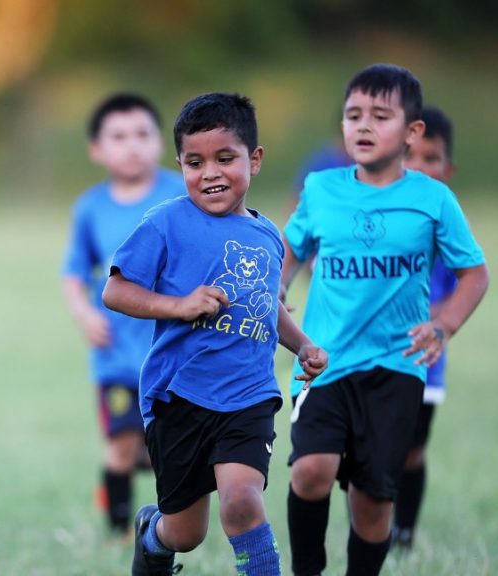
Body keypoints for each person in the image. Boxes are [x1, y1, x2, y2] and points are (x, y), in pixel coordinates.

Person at [103, 92, 328, 576]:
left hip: (249, 396)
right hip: (178, 398)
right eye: (194, 162)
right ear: (179, 164)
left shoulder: (269, 236)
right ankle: (153, 537)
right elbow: (116, 291)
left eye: (225, 159)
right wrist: (179, 305)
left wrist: (303, 343)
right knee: (187, 532)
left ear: (255, 159)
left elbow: (268, 307)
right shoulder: (166, 222)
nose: (210, 173)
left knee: (242, 502)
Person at [281, 64, 490, 576]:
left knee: (372, 502)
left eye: (380, 115)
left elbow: (475, 274)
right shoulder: (321, 189)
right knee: (310, 469)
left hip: (397, 370)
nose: (363, 126)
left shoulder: (433, 198)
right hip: (324, 360)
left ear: (412, 132)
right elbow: (290, 246)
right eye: (353, 115)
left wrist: (444, 325)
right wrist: (279, 288)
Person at [61, 92, 185, 537]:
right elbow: (74, 271)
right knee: (120, 444)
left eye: (142, 134)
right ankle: (119, 533)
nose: (131, 145)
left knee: (168, 448)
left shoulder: (181, 194)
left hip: (172, 351)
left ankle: (174, 525)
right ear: (97, 149)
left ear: (161, 142)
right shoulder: (91, 207)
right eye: (118, 136)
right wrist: (82, 314)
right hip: (115, 355)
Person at [392, 105, 458, 549]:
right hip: (364, 353)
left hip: (422, 361)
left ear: (447, 169)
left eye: (430, 158)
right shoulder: (374, 218)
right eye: (409, 156)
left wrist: (440, 323)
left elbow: (466, 280)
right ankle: (373, 525)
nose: (419, 168)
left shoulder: (448, 222)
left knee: (410, 451)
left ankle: (404, 533)